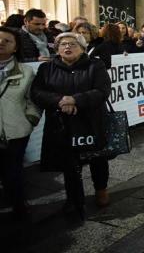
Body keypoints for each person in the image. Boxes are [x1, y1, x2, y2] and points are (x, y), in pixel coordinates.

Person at [31, 33, 112, 218]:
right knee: (68, 162)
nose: (67, 47)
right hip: (61, 123)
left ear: (83, 48)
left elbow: (102, 90)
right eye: (63, 44)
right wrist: (60, 101)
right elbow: (37, 92)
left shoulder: (95, 65)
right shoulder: (47, 68)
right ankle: (74, 198)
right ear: (57, 49)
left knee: (97, 158)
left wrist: (75, 100)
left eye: (73, 44)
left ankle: (101, 190)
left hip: (91, 121)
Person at [0, 27, 42, 219]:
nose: (1, 43)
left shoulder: (26, 71)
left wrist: (30, 120)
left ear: (16, 47)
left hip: (15, 131)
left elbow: (33, 100)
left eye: (7, 41)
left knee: (13, 170)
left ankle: (18, 203)